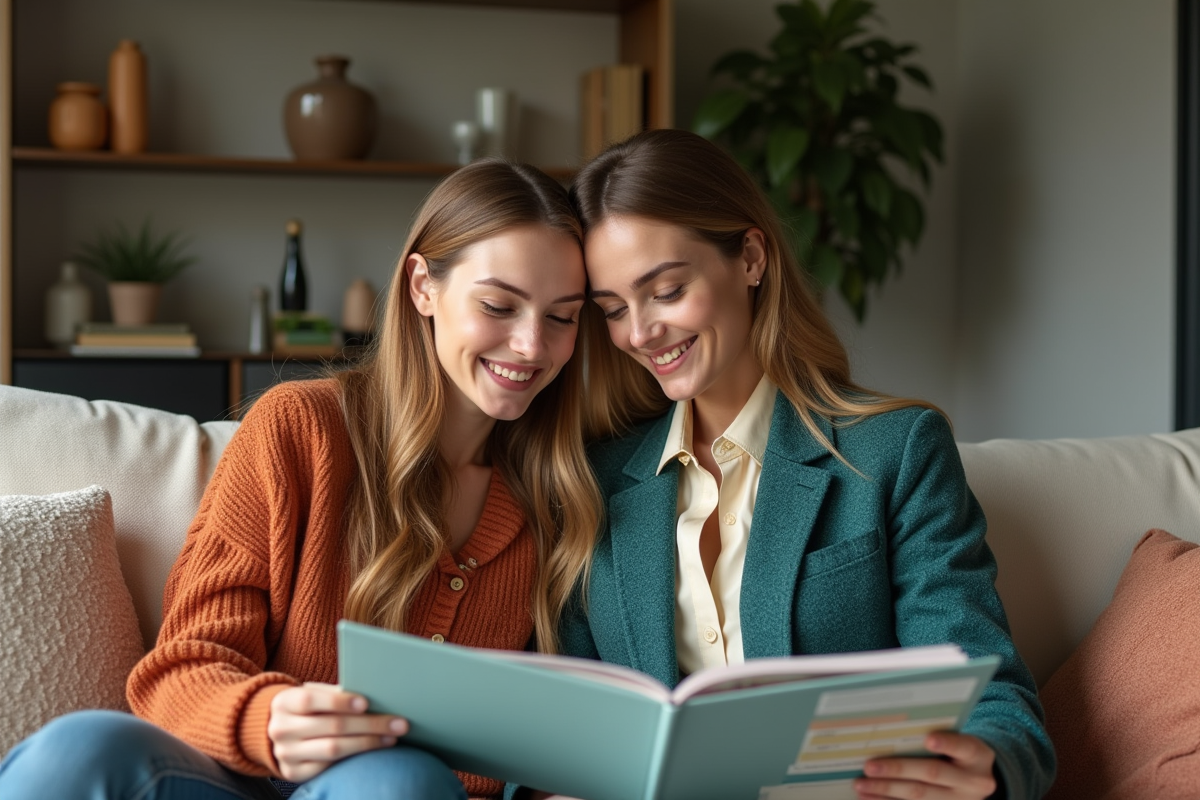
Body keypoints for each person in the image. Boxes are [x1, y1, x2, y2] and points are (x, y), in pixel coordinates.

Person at [0, 158, 601, 800]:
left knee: (398, 782)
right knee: (77, 752)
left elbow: (564, 734)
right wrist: (265, 720)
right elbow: (184, 668)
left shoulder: (564, 493)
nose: (532, 345)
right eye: (499, 305)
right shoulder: (301, 431)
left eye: (562, 317)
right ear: (422, 286)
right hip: (240, 781)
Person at [549, 129, 1055, 800]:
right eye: (612, 310)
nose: (639, 333)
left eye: (666, 291)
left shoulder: (894, 451)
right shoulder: (597, 476)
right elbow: (568, 711)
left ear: (751, 257)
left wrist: (986, 765)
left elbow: (988, 687)